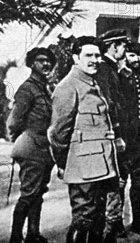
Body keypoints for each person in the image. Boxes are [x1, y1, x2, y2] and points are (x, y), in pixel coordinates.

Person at [48, 36, 120, 243]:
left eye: (98, 55)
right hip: (83, 166)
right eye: (89, 55)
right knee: (83, 219)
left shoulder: (94, 84)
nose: (95, 60)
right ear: (75, 58)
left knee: (98, 218)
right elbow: (57, 134)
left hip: (102, 165)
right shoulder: (68, 87)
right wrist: (63, 163)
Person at [7, 47, 57, 243]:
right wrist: (20, 140)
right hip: (31, 147)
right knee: (28, 194)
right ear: (31, 64)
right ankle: (16, 236)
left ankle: (33, 234)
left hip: (45, 149)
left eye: (48, 61)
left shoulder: (45, 89)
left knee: (38, 192)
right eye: (40, 60)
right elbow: (13, 121)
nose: (46, 64)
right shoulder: (27, 89)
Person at [115, 40, 140, 236]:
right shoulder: (117, 80)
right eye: (132, 55)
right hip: (125, 140)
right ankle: (117, 224)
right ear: (124, 57)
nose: (137, 59)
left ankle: (137, 221)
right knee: (120, 183)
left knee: (139, 182)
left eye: (139, 56)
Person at [95, 29, 130, 241]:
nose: (125, 50)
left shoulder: (112, 69)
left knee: (118, 180)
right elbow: (108, 106)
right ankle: (108, 229)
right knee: (112, 183)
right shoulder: (105, 70)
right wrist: (117, 135)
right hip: (110, 136)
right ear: (114, 46)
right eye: (123, 46)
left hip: (117, 134)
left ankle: (113, 224)